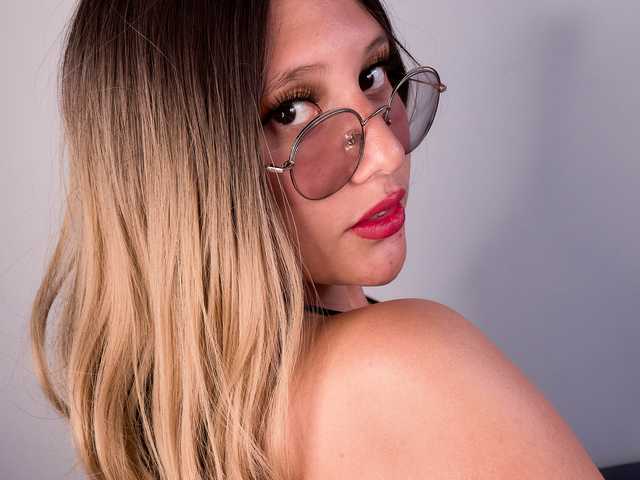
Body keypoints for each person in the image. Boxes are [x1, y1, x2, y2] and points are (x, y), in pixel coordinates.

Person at [30, 0, 604, 479]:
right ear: (181, 170)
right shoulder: (403, 362)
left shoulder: (186, 420)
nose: (386, 153)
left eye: (372, 74)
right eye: (291, 109)